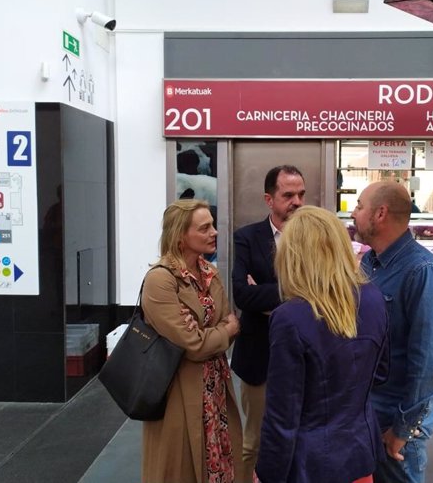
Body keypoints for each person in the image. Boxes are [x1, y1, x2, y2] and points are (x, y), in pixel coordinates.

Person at [255, 206, 389, 483]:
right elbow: (381, 373)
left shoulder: (290, 318)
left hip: (309, 464)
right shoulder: (373, 299)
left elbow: (282, 417)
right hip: (359, 455)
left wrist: (267, 473)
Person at [352, 181, 433, 483]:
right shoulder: (371, 262)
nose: (354, 214)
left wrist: (403, 430)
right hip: (367, 411)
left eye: (359, 206)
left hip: (396, 420)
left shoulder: (422, 272)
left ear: (380, 214)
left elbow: (431, 363)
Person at [141, 199, 243, 483]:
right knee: (180, 469)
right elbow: (194, 345)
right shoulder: (160, 280)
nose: (214, 232)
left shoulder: (211, 274)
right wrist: (219, 332)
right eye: (205, 228)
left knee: (221, 467)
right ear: (180, 236)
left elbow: (228, 326)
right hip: (178, 393)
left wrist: (210, 333)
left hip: (216, 389)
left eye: (212, 225)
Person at [231, 165, 306, 478]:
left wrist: (264, 294)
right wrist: (295, 295)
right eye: (288, 195)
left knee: (301, 437)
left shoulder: (310, 236)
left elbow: (319, 289)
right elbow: (242, 296)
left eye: (301, 194)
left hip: (305, 355)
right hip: (260, 357)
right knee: (255, 442)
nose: (297, 202)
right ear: (269, 199)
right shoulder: (248, 238)